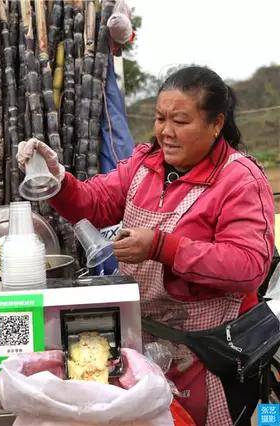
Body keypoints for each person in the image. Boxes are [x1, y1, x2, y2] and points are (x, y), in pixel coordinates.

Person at [17, 66, 275, 425]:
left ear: (216, 124)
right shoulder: (145, 164)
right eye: (160, 119)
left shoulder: (239, 179)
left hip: (211, 352)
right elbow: (94, 202)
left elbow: (248, 266)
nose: (166, 132)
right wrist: (56, 177)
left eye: (181, 122)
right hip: (150, 348)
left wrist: (162, 247)